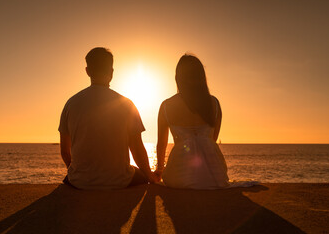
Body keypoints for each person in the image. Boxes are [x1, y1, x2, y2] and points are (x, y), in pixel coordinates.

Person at [58, 47, 157, 190]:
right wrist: (150, 176)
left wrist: (78, 173)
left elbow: (65, 151)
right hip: (120, 181)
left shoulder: (71, 104)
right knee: (139, 173)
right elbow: (137, 149)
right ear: (111, 72)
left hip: (79, 181)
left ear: (87, 71)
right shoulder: (126, 104)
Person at [154, 54, 258, 189]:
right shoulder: (214, 103)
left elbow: (161, 144)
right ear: (201, 77)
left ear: (178, 78)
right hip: (214, 175)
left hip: (179, 175)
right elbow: (212, 141)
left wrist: (159, 170)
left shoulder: (166, 106)